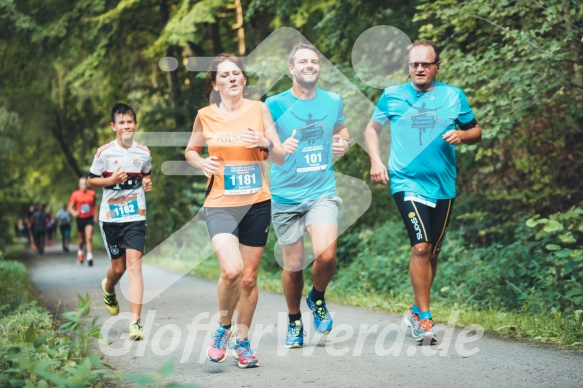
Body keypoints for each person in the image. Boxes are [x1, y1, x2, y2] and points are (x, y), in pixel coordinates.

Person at [365, 40, 482, 344]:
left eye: (425, 64)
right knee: (420, 247)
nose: (419, 68)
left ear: (436, 66)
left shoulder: (453, 96)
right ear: (408, 67)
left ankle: (416, 308)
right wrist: (376, 160)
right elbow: (371, 130)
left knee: (432, 252)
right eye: (414, 64)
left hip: (443, 185)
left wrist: (463, 134)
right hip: (406, 182)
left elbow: (476, 131)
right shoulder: (392, 96)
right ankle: (425, 320)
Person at [185, 53, 296, 368]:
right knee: (231, 270)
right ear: (216, 84)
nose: (232, 78)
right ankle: (223, 328)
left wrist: (265, 142)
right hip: (220, 203)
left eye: (237, 74)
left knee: (248, 278)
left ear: (244, 80)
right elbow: (191, 151)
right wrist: (201, 162)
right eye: (225, 75)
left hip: (257, 202)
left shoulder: (259, 110)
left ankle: (243, 342)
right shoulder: (205, 115)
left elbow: (281, 158)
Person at [265, 43, 350, 348]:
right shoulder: (273, 104)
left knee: (326, 254)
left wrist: (343, 143)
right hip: (285, 196)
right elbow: (268, 151)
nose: (310, 65)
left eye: (314, 61)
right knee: (294, 265)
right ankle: (294, 319)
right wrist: (278, 149)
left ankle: (316, 296)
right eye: (303, 61)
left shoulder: (333, 100)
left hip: (321, 192)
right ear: (291, 69)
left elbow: (342, 132)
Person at [87, 102, 152, 341]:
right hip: (111, 218)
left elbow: (146, 173)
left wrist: (147, 182)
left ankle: (135, 322)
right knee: (119, 268)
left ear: (135, 124)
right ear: (113, 126)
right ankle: (109, 288)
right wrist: (111, 179)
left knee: (135, 266)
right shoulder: (104, 153)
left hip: (136, 216)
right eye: (121, 122)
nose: (126, 126)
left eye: (130, 122)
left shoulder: (144, 152)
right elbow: (91, 181)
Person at [68, 177, 98, 266]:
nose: (83, 185)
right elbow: (70, 207)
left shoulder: (92, 193)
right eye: (81, 184)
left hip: (89, 218)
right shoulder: (75, 194)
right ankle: (80, 251)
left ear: (87, 184)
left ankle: (89, 257)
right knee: (81, 239)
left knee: (89, 237)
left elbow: (94, 206)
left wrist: (96, 216)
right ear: (79, 185)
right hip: (80, 218)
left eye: (85, 183)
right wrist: (74, 213)